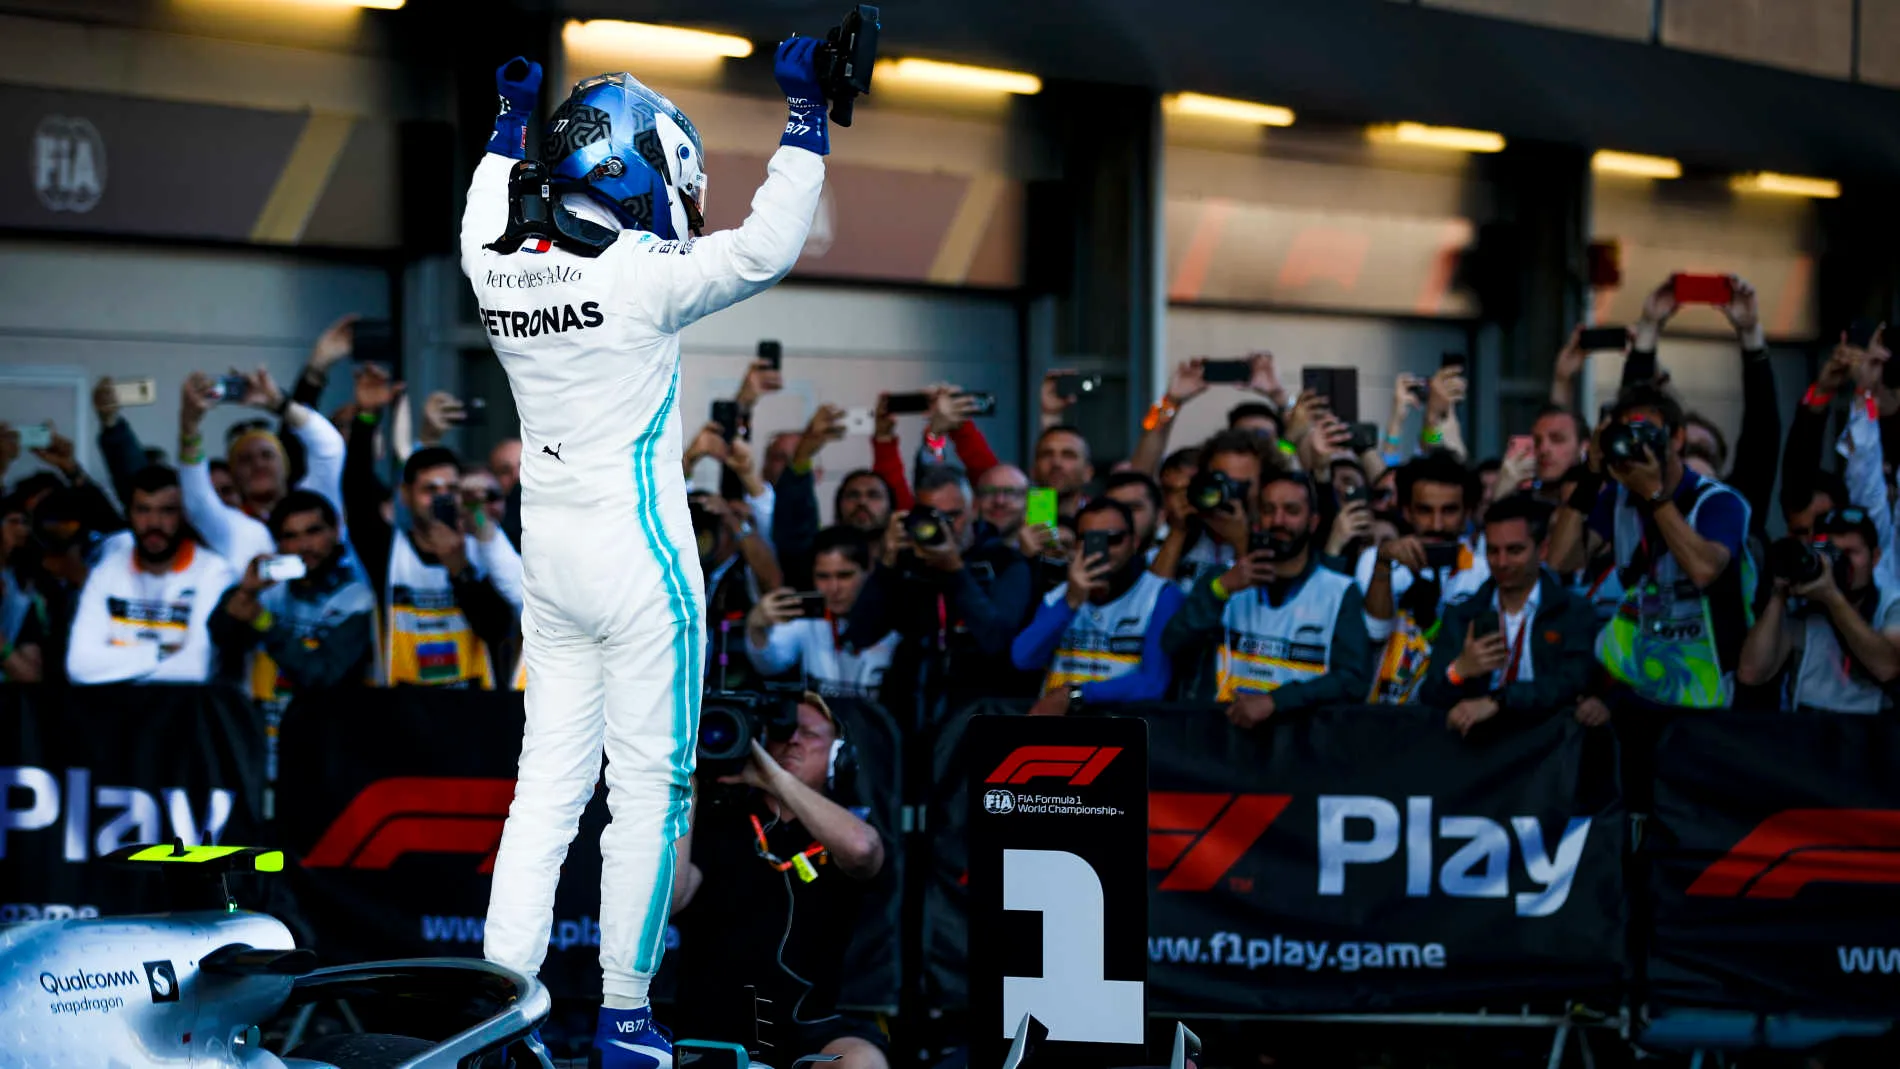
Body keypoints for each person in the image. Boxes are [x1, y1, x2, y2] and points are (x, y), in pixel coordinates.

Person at [462, 41, 835, 1061]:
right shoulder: (640, 275)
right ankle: (625, 1014)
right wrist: (805, 121)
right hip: (639, 564)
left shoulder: (492, 265)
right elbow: (763, 249)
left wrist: (507, 124)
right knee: (649, 796)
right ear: (637, 166)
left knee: (543, 793)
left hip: (550, 563)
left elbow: (484, 204)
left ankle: (498, 1015)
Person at [671, 694, 889, 1069]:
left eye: (809, 733)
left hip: (813, 1024)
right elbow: (671, 899)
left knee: (861, 1061)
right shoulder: (719, 819)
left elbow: (862, 849)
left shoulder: (848, 824)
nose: (793, 741)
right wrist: (688, 782)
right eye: (782, 730)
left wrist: (773, 777)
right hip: (715, 1024)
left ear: (838, 755)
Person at [1549, 383, 1751, 712]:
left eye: (1647, 432)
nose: (1637, 442)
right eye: (1628, 433)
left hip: (1708, 697)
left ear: (1677, 438)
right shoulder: (1619, 499)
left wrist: (1655, 496)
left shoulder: (1719, 502)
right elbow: (1561, 559)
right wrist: (1590, 474)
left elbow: (1704, 571)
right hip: (1644, 687)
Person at [1161, 470, 1371, 720]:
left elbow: (1353, 680)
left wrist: (1277, 701)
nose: (1278, 520)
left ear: (1313, 522)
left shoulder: (1339, 590)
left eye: (1291, 511)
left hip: (1300, 737)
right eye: (1268, 510)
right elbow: (1173, 645)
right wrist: (1219, 591)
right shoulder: (1223, 579)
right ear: (1257, 519)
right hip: (1222, 734)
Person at [844, 465, 1037, 721]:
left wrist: (955, 571)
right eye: (933, 518)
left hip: (977, 712)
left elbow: (997, 641)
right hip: (909, 710)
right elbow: (859, 635)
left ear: (974, 509)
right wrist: (886, 564)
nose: (945, 527)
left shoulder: (1004, 563)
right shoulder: (908, 563)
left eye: (952, 516)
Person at [1419, 494, 1599, 733]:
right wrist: (1459, 670)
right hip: (1479, 744)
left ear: (1542, 550)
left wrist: (1500, 700)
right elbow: (1430, 697)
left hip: (1549, 743)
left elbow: (1573, 682)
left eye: (1514, 550)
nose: (1502, 562)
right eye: (1493, 551)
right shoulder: (1463, 614)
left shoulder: (1573, 612)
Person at [66, 465, 234, 685]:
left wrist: (113, 663)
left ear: (184, 515)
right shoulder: (107, 569)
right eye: (143, 510)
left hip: (182, 705)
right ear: (129, 514)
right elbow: (79, 666)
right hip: (115, 706)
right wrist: (160, 652)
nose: (154, 523)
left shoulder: (213, 572)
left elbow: (194, 668)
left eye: (167, 511)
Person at [1013, 499, 1184, 714]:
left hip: (1124, 725)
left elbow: (1153, 683)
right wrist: (1070, 603)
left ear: (1135, 542)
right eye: (1090, 539)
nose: (1102, 549)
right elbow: (1024, 659)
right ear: (1076, 545)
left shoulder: (1159, 595)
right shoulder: (1059, 596)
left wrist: (1076, 694)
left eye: (1113, 539)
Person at [1357, 450, 1490, 704]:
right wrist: (1384, 565)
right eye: (1425, 510)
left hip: (1453, 708)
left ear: (1467, 513)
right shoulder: (1376, 560)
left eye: (1449, 511)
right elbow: (1374, 632)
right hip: (1385, 710)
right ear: (1406, 511)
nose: (1436, 524)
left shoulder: (1484, 571)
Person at [1738, 508, 1900, 714]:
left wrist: (1832, 597)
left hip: (1870, 726)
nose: (1840, 561)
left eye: (1850, 552)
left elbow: (1888, 668)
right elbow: (1751, 674)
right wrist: (1779, 594)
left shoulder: (1891, 603)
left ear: (1875, 557)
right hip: (1810, 725)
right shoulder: (1803, 605)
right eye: (1832, 551)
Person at [745, 526, 897, 700]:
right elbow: (770, 663)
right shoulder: (808, 618)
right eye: (823, 576)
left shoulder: (895, 617)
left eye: (844, 576)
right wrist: (756, 628)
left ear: (868, 569)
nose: (834, 588)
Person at [1150, 431, 1264, 591]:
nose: (1228, 491)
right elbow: (1151, 598)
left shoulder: (1275, 533)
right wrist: (1179, 530)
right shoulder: (1188, 531)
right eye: (1221, 480)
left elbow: (1256, 601)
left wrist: (1241, 542)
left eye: (1240, 485)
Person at [1032, 425, 1094, 520]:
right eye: (1047, 454)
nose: (1056, 463)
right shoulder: (1015, 521)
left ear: (1088, 473)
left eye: (1068, 455)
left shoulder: (1104, 521)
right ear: (1033, 470)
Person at [973, 464, 1030, 543]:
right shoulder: (961, 545)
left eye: (1010, 493)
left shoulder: (1043, 547)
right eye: (989, 491)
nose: (999, 501)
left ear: (1027, 500)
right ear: (975, 500)